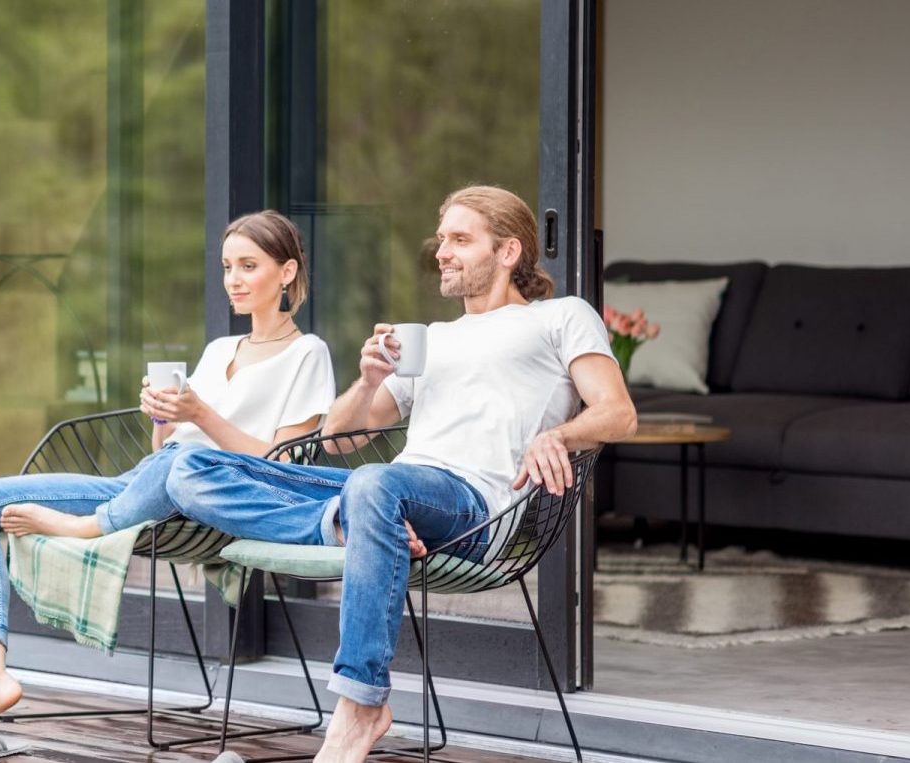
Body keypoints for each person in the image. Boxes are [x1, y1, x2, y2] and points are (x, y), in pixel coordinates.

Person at [169, 186, 637, 763]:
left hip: (474, 510)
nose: (442, 251)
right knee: (191, 469)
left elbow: (619, 413)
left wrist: (558, 434)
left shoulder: (559, 317)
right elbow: (346, 438)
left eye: (460, 239)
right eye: (442, 239)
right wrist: (367, 381)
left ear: (509, 251)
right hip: (394, 491)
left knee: (374, 485)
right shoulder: (430, 341)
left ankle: (362, 702)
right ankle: (361, 522)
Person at [0, 210, 338, 755]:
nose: (234, 280)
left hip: (207, 498)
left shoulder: (306, 352)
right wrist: (163, 418)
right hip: (146, 483)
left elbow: (280, 465)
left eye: (249, 266)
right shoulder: (222, 350)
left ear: (287, 272)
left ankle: (84, 528)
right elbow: (166, 448)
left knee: (180, 469)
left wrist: (200, 418)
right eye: (227, 267)